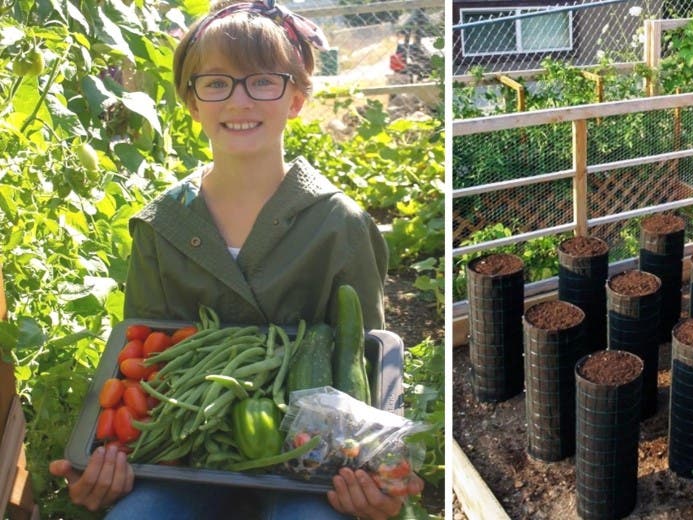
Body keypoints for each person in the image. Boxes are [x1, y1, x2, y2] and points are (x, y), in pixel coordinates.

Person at [48, 2, 422, 518]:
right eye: (216, 83)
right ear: (191, 101)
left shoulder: (338, 224)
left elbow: (361, 361)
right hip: (183, 458)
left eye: (261, 81)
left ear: (296, 97)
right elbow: (144, 361)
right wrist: (110, 462)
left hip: (305, 465)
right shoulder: (163, 225)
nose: (239, 100)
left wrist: (378, 480)